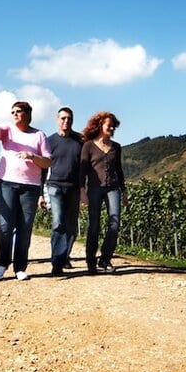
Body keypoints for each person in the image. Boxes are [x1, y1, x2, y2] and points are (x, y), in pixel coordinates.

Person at [0, 91, 51, 280]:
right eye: (13, 111)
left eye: (19, 111)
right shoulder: (7, 131)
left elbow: (48, 162)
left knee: (24, 228)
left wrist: (32, 156)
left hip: (30, 187)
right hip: (7, 184)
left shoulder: (39, 135)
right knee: (5, 226)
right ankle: (3, 262)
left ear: (28, 115)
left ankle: (20, 267)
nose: (14, 114)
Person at [80, 110, 125, 274]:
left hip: (113, 188)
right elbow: (82, 170)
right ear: (100, 125)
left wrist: (124, 192)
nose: (112, 128)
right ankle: (90, 261)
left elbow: (119, 170)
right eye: (109, 125)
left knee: (115, 223)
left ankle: (105, 258)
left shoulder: (116, 147)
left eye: (114, 126)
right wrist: (82, 191)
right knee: (94, 225)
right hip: (94, 189)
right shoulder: (88, 146)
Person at [42, 106, 83, 275]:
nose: (66, 121)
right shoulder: (49, 141)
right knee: (58, 222)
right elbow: (42, 169)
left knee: (72, 227)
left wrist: (84, 189)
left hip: (73, 188)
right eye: (63, 118)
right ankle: (57, 263)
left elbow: (84, 167)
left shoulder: (80, 140)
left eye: (69, 118)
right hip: (54, 186)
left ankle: (65, 256)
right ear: (57, 119)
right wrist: (40, 194)